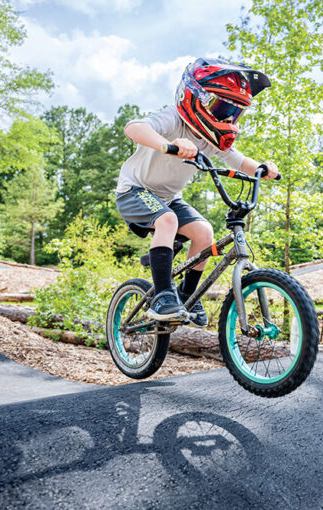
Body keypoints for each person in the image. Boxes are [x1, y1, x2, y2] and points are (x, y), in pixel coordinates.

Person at [115, 58, 279, 327]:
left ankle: (187, 294)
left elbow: (239, 160)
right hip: (134, 190)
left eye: (234, 112)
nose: (227, 117)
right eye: (221, 106)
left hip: (169, 199)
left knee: (204, 233)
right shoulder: (174, 119)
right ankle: (164, 296)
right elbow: (134, 128)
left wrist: (262, 168)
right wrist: (168, 144)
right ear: (195, 97)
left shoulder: (210, 138)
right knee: (168, 220)